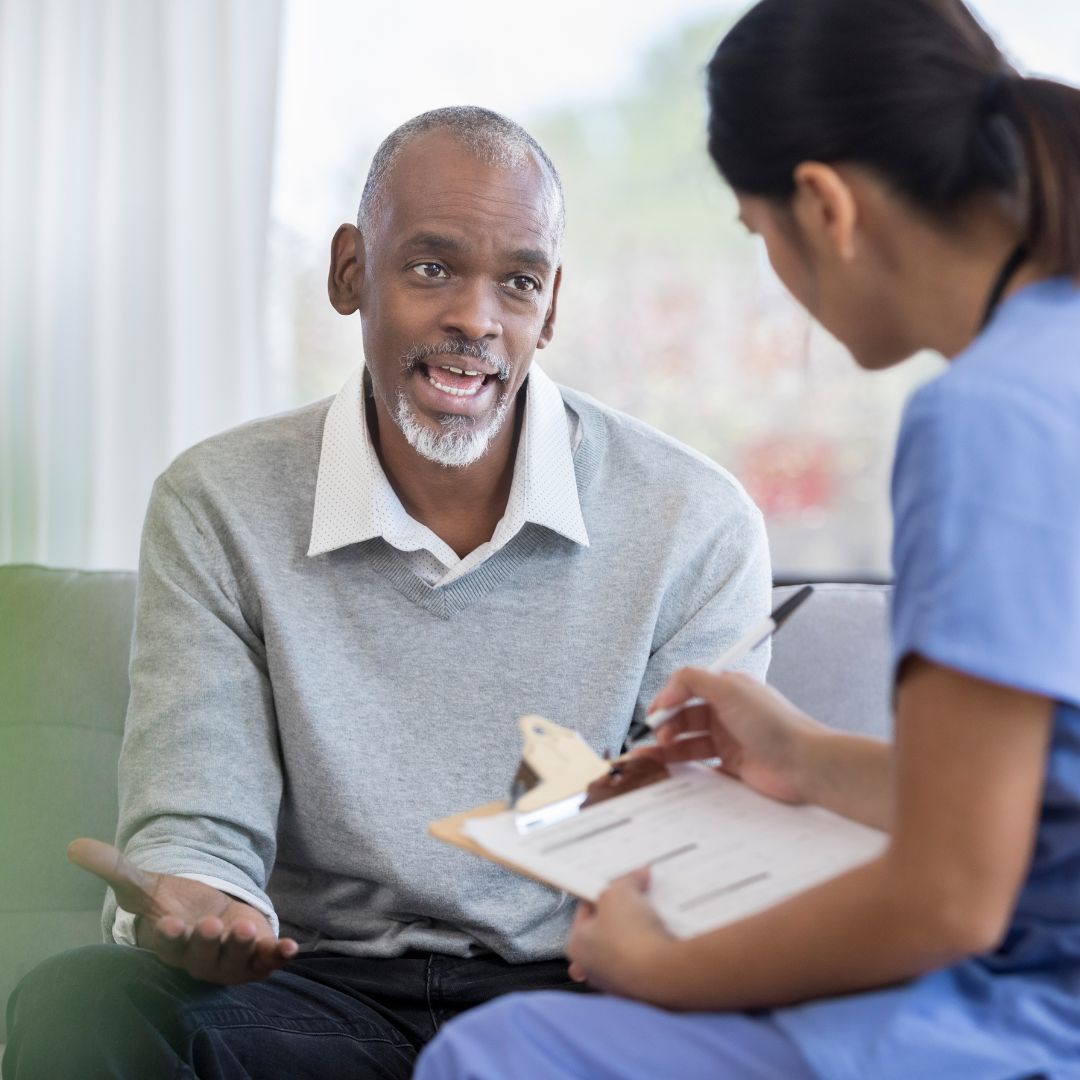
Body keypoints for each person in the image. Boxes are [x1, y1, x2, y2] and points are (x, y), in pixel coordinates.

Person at [2, 107, 771, 1078]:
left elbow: (687, 845)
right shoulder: (219, 503)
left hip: (566, 994)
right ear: (348, 272)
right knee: (83, 1004)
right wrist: (204, 902)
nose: (475, 320)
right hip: (314, 990)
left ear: (553, 305)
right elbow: (199, 812)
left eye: (518, 282)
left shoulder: (693, 520)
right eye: (432, 267)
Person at [413, 2, 1080, 1077]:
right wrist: (804, 758)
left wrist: (668, 964)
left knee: (497, 1053)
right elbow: (1034, 801)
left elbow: (952, 895)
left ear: (824, 206)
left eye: (758, 235)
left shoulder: (988, 419)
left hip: (1034, 1016)